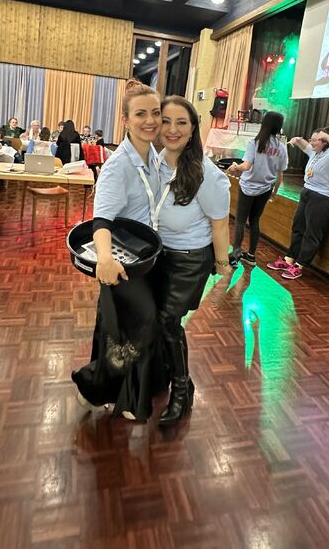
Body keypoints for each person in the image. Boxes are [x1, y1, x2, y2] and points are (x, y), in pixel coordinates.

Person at [71, 81, 164, 421]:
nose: (150, 120)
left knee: (122, 325)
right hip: (122, 261)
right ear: (125, 119)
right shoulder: (118, 166)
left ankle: (121, 390)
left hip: (147, 257)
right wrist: (106, 259)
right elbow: (101, 221)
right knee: (135, 323)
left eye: (155, 113)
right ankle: (96, 386)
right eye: (140, 114)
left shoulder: (154, 156)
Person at [154, 96, 231, 425]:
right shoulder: (155, 162)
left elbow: (220, 224)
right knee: (158, 320)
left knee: (168, 321)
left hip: (189, 259)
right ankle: (166, 374)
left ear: (193, 128)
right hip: (158, 255)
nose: (172, 129)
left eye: (181, 122)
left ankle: (182, 389)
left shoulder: (206, 173)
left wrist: (223, 266)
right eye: (166, 121)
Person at [267, 126, 329, 280]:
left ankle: (300, 265)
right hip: (309, 192)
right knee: (298, 227)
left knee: (312, 233)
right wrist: (298, 140)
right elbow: (306, 146)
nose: (312, 142)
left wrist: (328, 137)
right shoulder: (316, 152)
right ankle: (289, 259)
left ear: (326, 142)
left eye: (315, 140)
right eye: (311, 139)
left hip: (327, 198)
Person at [227, 111, 288, 266]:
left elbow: (246, 166)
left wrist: (235, 167)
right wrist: (274, 193)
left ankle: (235, 255)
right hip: (265, 189)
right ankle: (251, 256)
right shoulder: (282, 148)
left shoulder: (254, 143)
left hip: (248, 187)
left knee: (240, 221)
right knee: (254, 221)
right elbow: (280, 174)